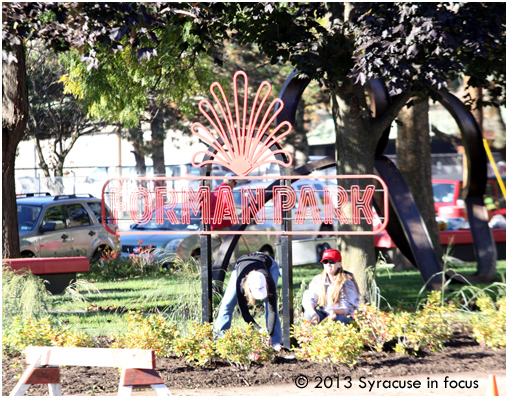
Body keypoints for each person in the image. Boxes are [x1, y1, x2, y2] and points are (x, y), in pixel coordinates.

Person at [214, 252, 283, 350]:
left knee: (270, 305)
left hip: (268, 263)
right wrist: (259, 330)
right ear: (249, 288)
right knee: (227, 304)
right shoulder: (240, 284)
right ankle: (218, 341)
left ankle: (275, 341)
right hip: (242, 265)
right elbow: (244, 312)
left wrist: (268, 333)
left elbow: (272, 311)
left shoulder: (268, 280)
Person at [302, 249, 360, 325]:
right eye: (325, 262)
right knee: (309, 315)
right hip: (326, 314)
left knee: (338, 319)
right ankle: (311, 336)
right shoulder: (318, 280)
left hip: (344, 317)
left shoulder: (347, 282)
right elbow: (309, 299)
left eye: (332, 261)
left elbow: (348, 309)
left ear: (339, 264)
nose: (328, 264)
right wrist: (312, 312)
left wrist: (334, 311)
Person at [210, 173, 238, 264]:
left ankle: (218, 270)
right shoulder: (226, 191)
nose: (235, 185)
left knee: (216, 250)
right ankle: (230, 270)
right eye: (235, 183)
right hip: (224, 225)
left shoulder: (214, 191)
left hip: (213, 226)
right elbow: (229, 207)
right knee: (231, 248)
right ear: (230, 181)